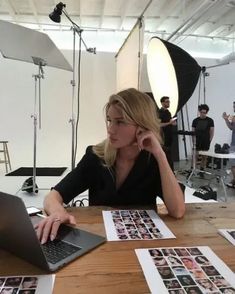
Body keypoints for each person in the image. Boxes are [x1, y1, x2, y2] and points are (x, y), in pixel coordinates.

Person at [36, 88, 185, 244]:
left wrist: (160, 155)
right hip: (99, 243)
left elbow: (177, 211)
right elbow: (53, 196)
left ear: (142, 125)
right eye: (109, 120)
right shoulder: (96, 156)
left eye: (120, 122)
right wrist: (58, 212)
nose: (110, 129)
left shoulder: (155, 159)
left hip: (142, 244)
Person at [192, 104, 214, 177]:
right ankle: (193, 169)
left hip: (206, 141)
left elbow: (212, 131)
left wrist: (209, 140)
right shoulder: (195, 120)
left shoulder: (210, 120)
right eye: (202, 112)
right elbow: (193, 132)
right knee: (195, 156)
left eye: (204, 112)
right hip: (197, 141)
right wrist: (193, 141)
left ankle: (202, 170)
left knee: (204, 157)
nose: (203, 114)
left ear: (206, 112)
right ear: (199, 112)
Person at [158, 96, 177, 169]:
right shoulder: (160, 112)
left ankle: (169, 169)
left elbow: (169, 122)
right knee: (164, 154)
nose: (168, 103)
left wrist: (172, 123)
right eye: (167, 101)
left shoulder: (168, 112)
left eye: (169, 101)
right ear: (162, 103)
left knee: (168, 154)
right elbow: (158, 125)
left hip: (169, 136)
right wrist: (169, 123)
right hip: (163, 136)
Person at [222, 102, 235, 188]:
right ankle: (234, 180)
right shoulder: (234, 117)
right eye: (234, 107)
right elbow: (231, 127)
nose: (234, 109)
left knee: (233, 164)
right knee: (232, 164)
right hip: (233, 143)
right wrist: (226, 119)